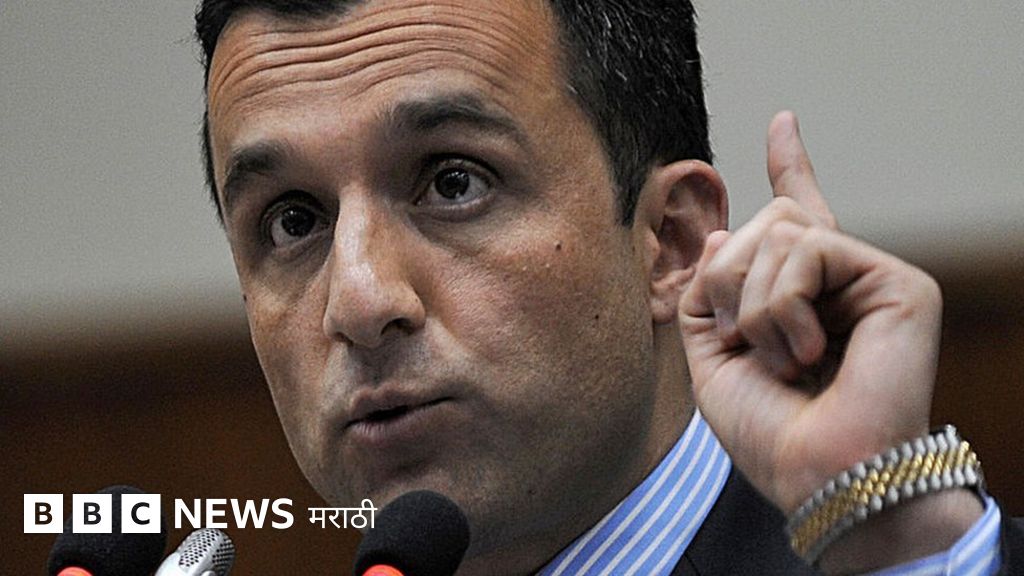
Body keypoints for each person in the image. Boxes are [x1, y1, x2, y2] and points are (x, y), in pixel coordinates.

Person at [193, 1, 1022, 573]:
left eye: (453, 182)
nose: (360, 301)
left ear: (671, 241)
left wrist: (898, 543)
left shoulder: (897, 560)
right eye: (293, 221)